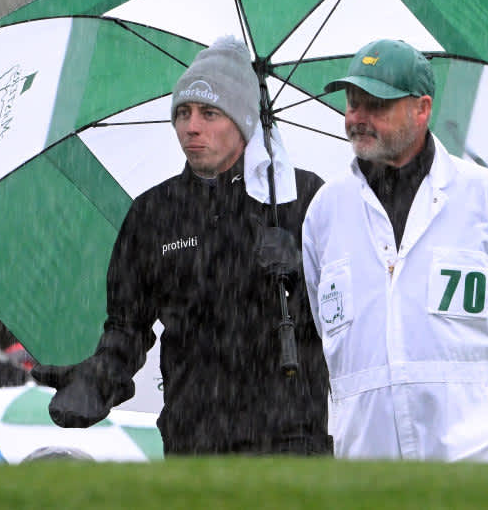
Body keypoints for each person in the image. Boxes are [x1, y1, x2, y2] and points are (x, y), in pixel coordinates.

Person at [32, 36, 331, 455]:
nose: (191, 127)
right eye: (183, 113)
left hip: (291, 442)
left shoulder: (304, 198)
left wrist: (302, 277)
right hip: (194, 443)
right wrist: (99, 377)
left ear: (244, 121)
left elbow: (349, 315)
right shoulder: (154, 212)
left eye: (210, 113)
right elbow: (127, 326)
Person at [301, 38, 488, 461]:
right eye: (353, 103)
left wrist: (480, 395)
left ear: (422, 109)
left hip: (474, 464)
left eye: (377, 105)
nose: (359, 118)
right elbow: (327, 328)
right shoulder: (325, 212)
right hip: (367, 471)